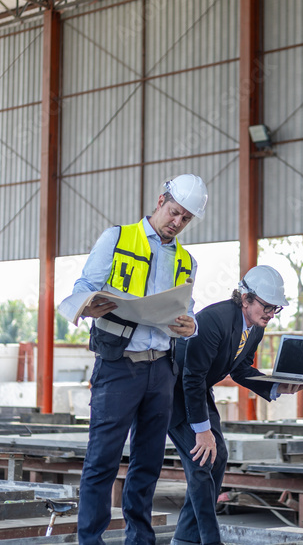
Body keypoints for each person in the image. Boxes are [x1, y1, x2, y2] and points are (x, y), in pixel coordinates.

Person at [71, 174, 208, 545]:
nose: (176, 223)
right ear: (160, 200)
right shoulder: (116, 238)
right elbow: (83, 287)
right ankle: (91, 540)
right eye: (174, 213)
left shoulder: (186, 260)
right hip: (119, 367)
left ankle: (140, 540)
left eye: (185, 219)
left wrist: (189, 326)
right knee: (102, 461)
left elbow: (187, 312)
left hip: (161, 368)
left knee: (147, 465)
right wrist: (90, 304)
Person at [168, 265, 303, 545]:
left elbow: (241, 368)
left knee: (218, 457)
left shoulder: (254, 327)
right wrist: (201, 430)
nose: (270, 314)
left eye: (275, 309)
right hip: (171, 391)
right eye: (267, 307)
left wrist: (278, 386)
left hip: (196, 389)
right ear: (245, 299)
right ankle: (209, 539)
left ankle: (185, 538)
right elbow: (191, 377)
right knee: (202, 461)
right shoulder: (213, 320)